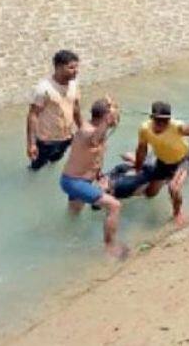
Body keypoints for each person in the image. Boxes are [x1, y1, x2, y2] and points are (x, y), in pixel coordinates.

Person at [59, 97, 127, 259]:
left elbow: (94, 156)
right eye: (114, 116)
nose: (117, 118)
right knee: (114, 206)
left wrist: (98, 176)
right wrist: (108, 119)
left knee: (74, 214)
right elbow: (94, 140)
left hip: (79, 180)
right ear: (106, 117)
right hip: (74, 182)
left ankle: (66, 241)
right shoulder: (87, 131)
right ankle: (110, 247)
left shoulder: (97, 130)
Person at [135, 101, 189, 227]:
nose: (162, 125)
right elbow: (141, 149)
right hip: (163, 162)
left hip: (184, 160)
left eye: (165, 122)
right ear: (152, 118)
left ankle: (177, 213)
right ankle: (162, 180)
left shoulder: (176, 126)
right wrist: (137, 168)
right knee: (150, 194)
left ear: (169, 120)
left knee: (174, 188)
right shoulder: (144, 129)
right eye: (158, 122)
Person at [26, 49, 82, 170]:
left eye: (77, 67)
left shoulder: (74, 84)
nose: (76, 71)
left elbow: (76, 108)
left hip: (66, 137)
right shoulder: (43, 88)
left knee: (55, 160)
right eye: (71, 68)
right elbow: (33, 116)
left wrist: (82, 129)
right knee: (37, 167)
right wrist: (32, 144)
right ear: (59, 67)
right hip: (46, 140)